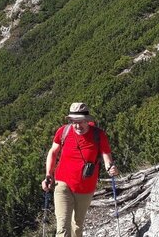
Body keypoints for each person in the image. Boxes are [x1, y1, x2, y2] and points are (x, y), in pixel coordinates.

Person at [41, 102, 119, 237]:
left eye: (81, 122)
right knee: (62, 227)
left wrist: (110, 167)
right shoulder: (63, 131)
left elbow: (106, 156)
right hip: (63, 184)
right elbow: (53, 152)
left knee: (77, 225)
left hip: (85, 188)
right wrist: (49, 175)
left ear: (88, 121)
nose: (77, 126)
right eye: (74, 122)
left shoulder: (98, 135)